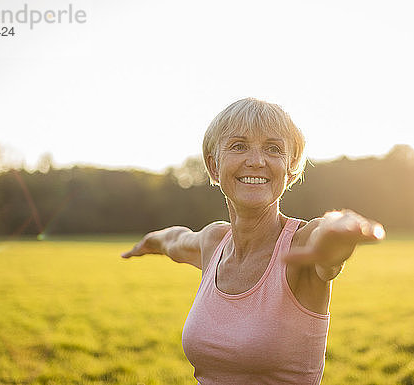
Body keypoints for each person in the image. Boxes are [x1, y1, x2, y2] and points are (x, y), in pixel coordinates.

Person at [121, 98, 385, 384]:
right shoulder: (213, 242)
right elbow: (173, 240)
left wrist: (343, 228)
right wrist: (147, 243)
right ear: (213, 165)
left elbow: (328, 236)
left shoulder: (302, 243)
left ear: (290, 168)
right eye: (238, 146)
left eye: (273, 149)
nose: (257, 161)